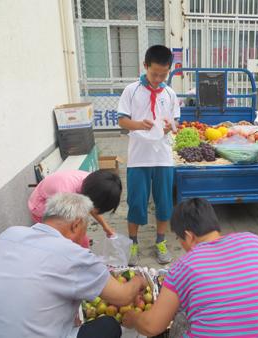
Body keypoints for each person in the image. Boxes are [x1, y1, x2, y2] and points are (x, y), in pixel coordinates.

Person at [0, 193, 148, 338]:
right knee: (109, 326)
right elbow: (124, 297)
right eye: (85, 228)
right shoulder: (75, 256)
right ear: (76, 225)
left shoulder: (9, 234)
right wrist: (138, 280)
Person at [121, 198, 258, 337]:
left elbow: (152, 327)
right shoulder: (253, 242)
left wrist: (134, 318)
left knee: (182, 315)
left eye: (180, 239)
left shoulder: (183, 268)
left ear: (189, 236)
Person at [117, 45, 180, 266]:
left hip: (162, 157)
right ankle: (132, 242)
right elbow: (122, 120)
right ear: (145, 66)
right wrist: (139, 125)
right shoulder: (131, 90)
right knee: (136, 202)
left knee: (164, 202)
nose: (158, 79)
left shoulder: (170, 93)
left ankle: (160, 241)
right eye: (154, 74)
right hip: (138, 157)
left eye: (164, 75)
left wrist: (168, 126)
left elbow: (176, 122)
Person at [28, 169, 122, 248]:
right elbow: (66, 224)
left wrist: (105, 226)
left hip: (61, 201)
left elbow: (91, 205)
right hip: (42, 206)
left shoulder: (94, 183)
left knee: (82, 241)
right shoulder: (66, 194)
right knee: (62, 242)